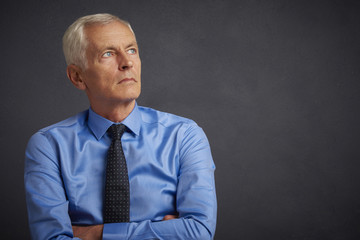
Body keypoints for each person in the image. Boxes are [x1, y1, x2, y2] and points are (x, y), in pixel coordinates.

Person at [24, 13, 217, 240]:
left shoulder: (185, 136)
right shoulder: (48, 146)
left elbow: (198, 233)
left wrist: (95, 233)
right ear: (77, 77)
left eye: (132, 50)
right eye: (108, 54)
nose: (127, 63)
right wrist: (164, 232)